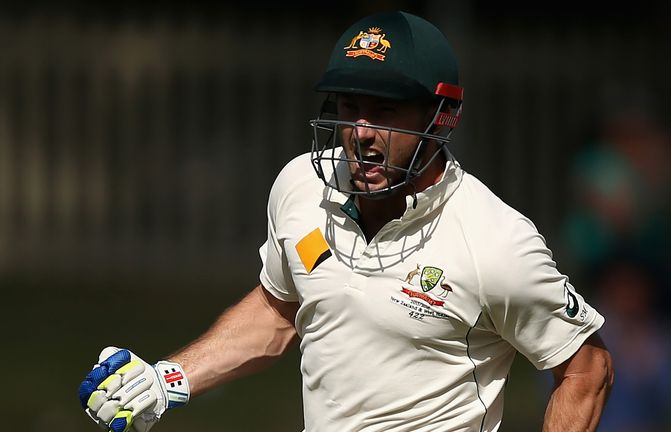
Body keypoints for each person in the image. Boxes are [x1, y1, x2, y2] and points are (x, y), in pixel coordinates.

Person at [78, 11, 613, 432]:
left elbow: (586, 369)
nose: (361, 132)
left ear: (440, 117)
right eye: (350, 106)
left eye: (385, 111)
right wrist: (165, 380)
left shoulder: (496, 244)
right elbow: (279, 311)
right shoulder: (300, 188)